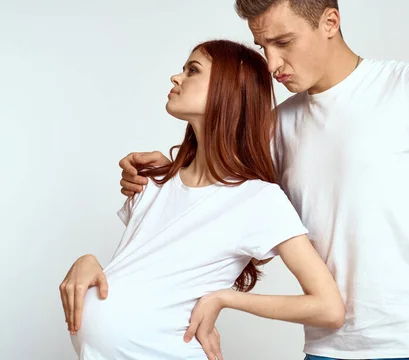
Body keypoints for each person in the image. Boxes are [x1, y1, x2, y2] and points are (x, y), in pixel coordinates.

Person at [118, 0, 409, 359]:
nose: (271, 63)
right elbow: (220, 197)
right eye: (262, 45)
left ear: (330, 21)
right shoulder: (277, 124)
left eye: (283, 42)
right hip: (328, 348)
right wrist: (165, 170)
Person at [59, 39, 345, 360]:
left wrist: (225, 298)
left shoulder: (257, 200)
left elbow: (329, 307)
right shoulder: (154, 181)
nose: (176, 78)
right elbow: (137, 270)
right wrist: (86, 261)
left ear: (229, 90)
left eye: (192, 70)